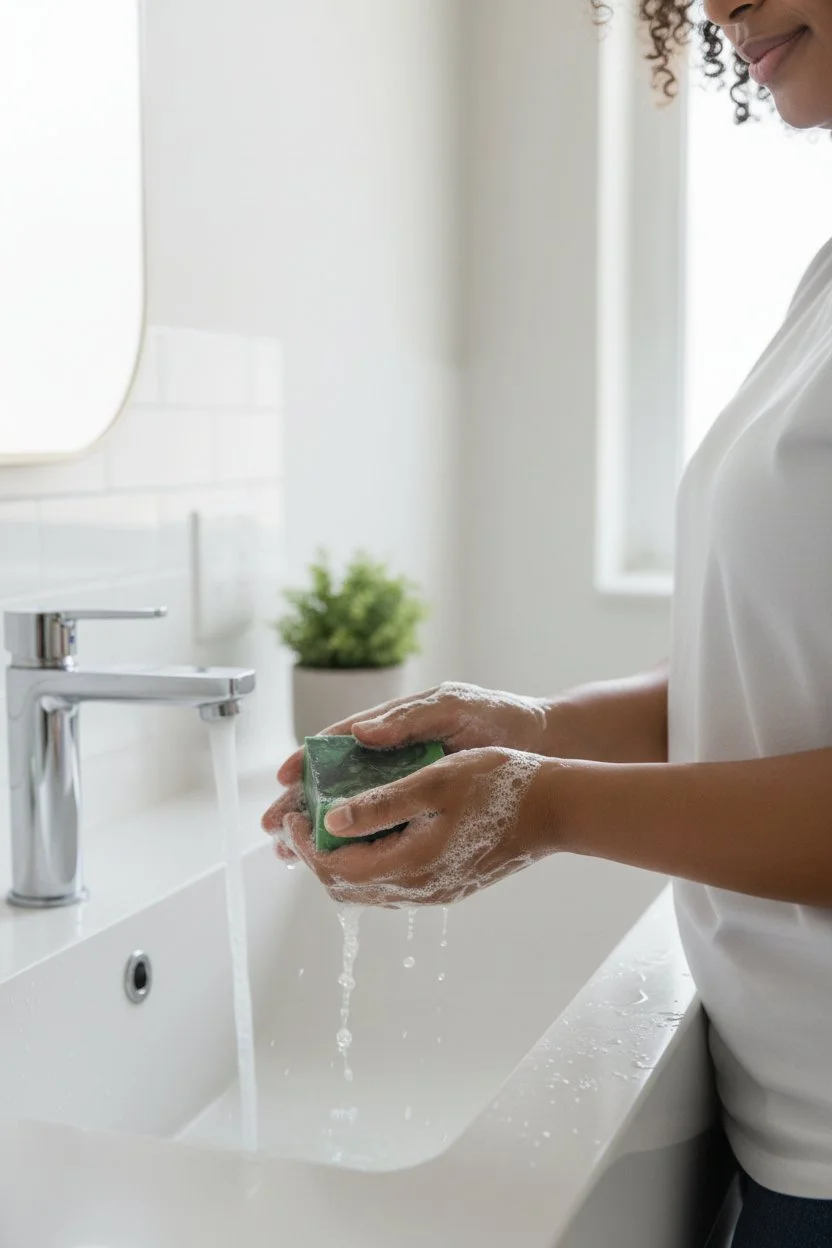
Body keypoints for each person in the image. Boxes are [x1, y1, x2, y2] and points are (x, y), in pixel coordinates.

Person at [263, 0, 832, 1241]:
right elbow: (779, 678)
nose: (718, 6)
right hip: (786, 1112)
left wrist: (552, 801)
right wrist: (535, 726)